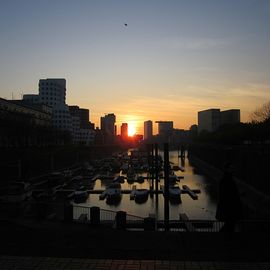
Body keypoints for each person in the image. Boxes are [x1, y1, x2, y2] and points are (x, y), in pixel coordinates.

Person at [215, 162, 242, 232]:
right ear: (227, 169)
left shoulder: (225, 179)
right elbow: (227, 196)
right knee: (229, 227)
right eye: (231, 168)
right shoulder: (227, 180)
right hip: (229, 209)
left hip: (228, 209)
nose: (233, 170)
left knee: (228, 227)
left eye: (233, 168)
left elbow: (224, 195)